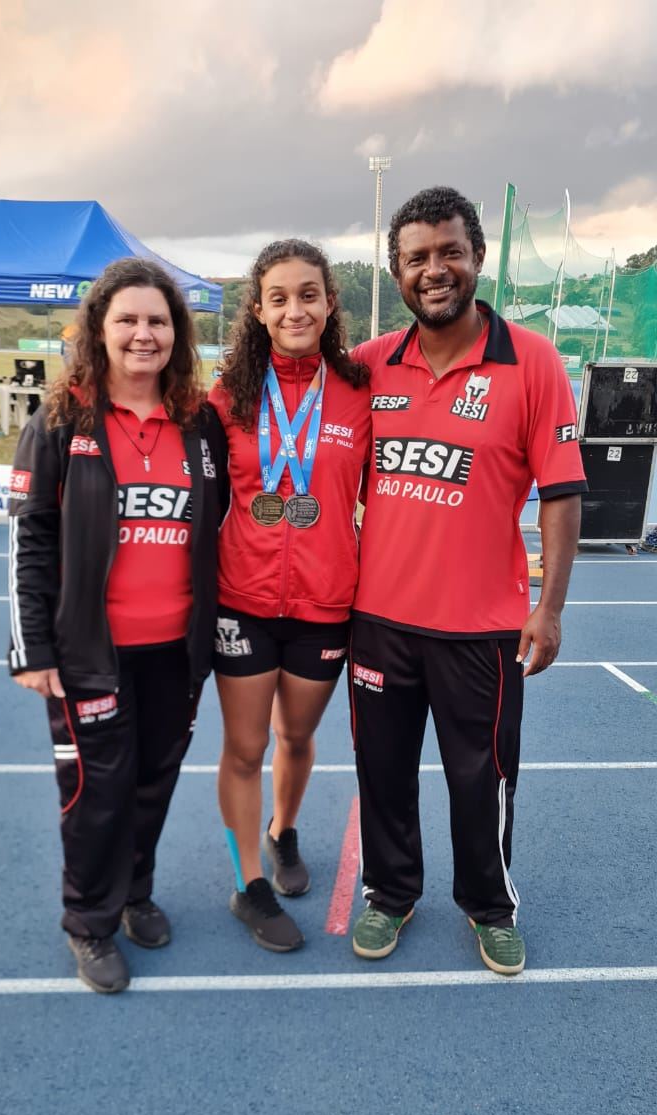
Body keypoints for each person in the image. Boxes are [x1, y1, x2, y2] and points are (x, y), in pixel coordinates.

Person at [349, 187, 587, 975]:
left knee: (480, 780)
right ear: (398, 272)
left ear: (478, 257)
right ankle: (389, 892)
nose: (435, 269)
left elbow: (560, 492)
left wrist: (548, 609)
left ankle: (490, 905)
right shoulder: (371, 365)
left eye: (449, 250)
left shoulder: (533, 361)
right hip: (378, 620)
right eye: (416, 257)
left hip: (481, 628)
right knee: (381, 774)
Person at [7, 258, 228, 993]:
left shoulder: (199, 425)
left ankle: (135, 893)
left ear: (177, 333)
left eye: (157, 321)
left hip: (175, 651)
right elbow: (29, 538)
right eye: (127, 320)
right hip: (86, 656)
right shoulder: (61, 422)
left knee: (152, 781)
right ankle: (89, 923)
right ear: (98, 331)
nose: (143, 334)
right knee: (96, 795)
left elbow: (217, 530)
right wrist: (31, 648)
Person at [209, 239, 371, 951]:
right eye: (280, 297)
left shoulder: (360, 394)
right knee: (244, 748)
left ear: (330, 303)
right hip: (241, 598)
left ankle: (283, 831)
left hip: (325, 602)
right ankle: (250, 884)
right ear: (259, 309)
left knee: (296, 736)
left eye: (309, 294)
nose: (295, 308)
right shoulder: (229, 397)